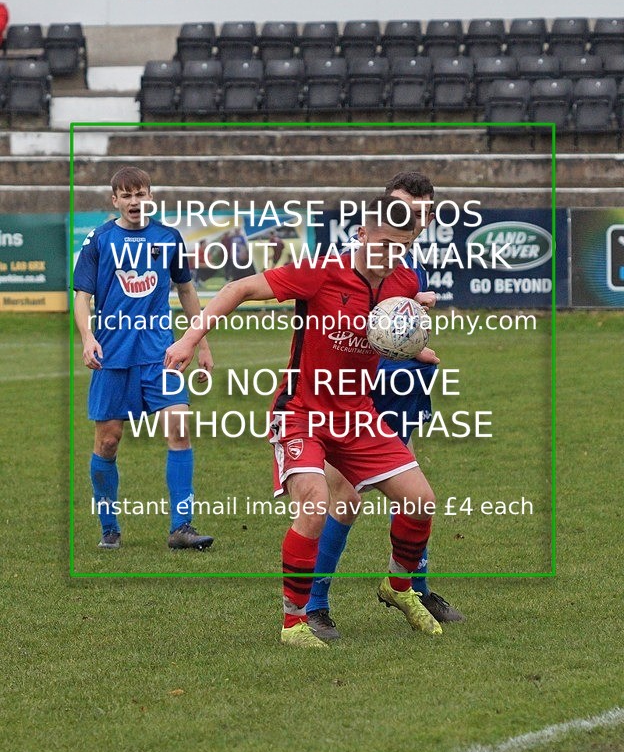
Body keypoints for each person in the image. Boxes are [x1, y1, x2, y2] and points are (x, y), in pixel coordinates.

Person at [165, 195, 444, 647]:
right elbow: (238, 289)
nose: (389, 254)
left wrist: (415, 346)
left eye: (401, 246)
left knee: (420, 502)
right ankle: (294, 622)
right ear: (362, 234)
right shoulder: (320, 272)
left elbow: (387, 327)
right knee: (314, 504)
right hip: (301, 412)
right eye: (383, 243)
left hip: (356, 413)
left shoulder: (404, 280)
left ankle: (397, 588)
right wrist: (191, 337)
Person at [306, 172, 464, 641]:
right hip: (353, 395)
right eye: (404, 211)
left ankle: (414, 586)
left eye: (423, 214)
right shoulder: (354, 264)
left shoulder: (410, 268)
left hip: (403, 391)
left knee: (412, 493)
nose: (414, 222)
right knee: (344, 498)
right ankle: (314, 604)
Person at [73, 166, 214, 551]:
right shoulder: (99, 240)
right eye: (127, 195)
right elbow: (82, 297)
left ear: (150, 197)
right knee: (108, 442)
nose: (135, 202)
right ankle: (109, 529)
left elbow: (186, 290)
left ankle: (181, 527)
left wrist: (199, 341)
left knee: (180, 424)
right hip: (112, 355)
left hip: (159, 354)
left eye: (141, 194)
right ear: (115, 200)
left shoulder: (168, 238)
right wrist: (88, 338)